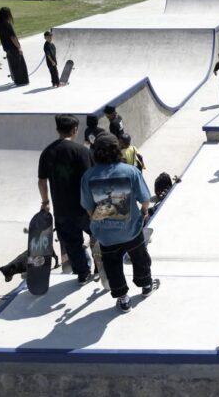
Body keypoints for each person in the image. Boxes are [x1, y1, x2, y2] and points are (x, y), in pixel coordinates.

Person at [81, 133, 159, 313]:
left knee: (112, 264)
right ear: (117, 150)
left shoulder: (88, 176)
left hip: (106, 234)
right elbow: (145, 198)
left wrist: (98, 221)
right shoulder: (130, 171)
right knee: (139, 257)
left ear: (95, 153)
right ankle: (146, 285)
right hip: (131, 229)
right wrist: (143, 212)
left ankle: (123, 299)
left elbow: (87, 206)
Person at [38, 114, 94, 284]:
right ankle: (102, 267)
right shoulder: (82, 151)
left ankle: (83, 274)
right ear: (75, 129)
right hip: (85, 208)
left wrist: (45, 202)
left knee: (72, 243)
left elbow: (41, 181)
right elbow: (90, 180)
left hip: (61, 209)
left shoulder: (47, 152)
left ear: (57, 130)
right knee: (99, 236)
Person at [0, 7, 29, 86]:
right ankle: (22, 81)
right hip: (13, 48)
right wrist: (19, 47)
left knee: (13, 66)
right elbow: (13, 37)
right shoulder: (7, 24)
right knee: (20, 66)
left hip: (7, 49)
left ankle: (16, 80)